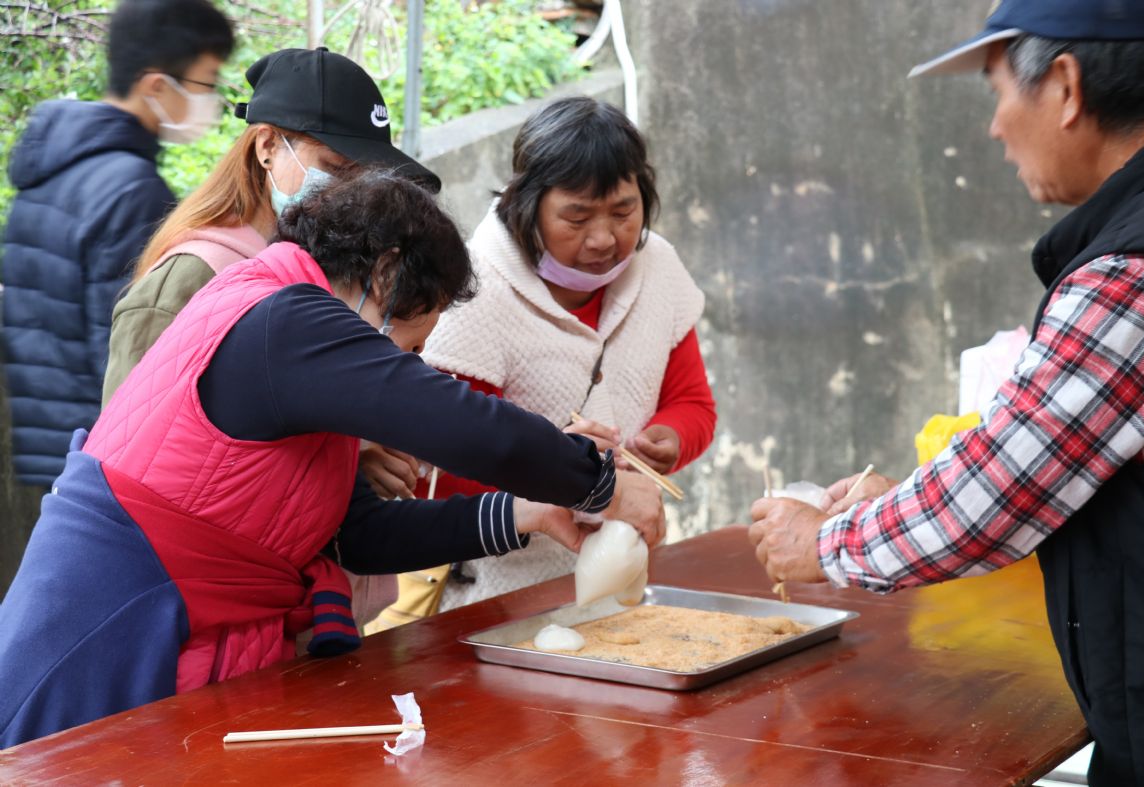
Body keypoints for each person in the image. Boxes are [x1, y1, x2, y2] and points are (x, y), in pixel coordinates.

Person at [0, 170, 664, 748]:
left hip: (177, 619)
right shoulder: (283, 318)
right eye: (407, 346)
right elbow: (460, 423)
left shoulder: (300, 351)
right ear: (384, 273)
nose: (403, 366)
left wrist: (529, 511)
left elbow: (359, 534)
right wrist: (598, 481)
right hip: (117, 620)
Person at [747, 1, 1144, 784]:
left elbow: (1000, 490)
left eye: (996, 92)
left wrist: (824, 544)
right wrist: (902, 496)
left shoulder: (1141, 266)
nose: (994, 128)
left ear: (1066, 85)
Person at [390, 96, 715, 616]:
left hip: (625, 578)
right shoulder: (475, 289)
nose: (604, 238)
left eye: (624, 211)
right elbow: (447, 464)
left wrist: (671, 438)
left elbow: (693, 402)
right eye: (577, 216)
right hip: (496, 596)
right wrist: (561, 466)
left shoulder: (659, 268)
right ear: (528, 203)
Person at [101, 46, 441, 405]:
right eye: (337, 170)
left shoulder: (331, 269)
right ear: (268, 146)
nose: (353, 193)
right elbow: (123, 447)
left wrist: (359, 453)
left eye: (366, 180)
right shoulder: (192, 276)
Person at [1, 0, 234, 487]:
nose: (212, 100)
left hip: (47, 449)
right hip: (104, 464)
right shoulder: (133, 191)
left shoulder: (48, 170)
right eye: (207, 82)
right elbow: (131, 360)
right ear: (156, 85)